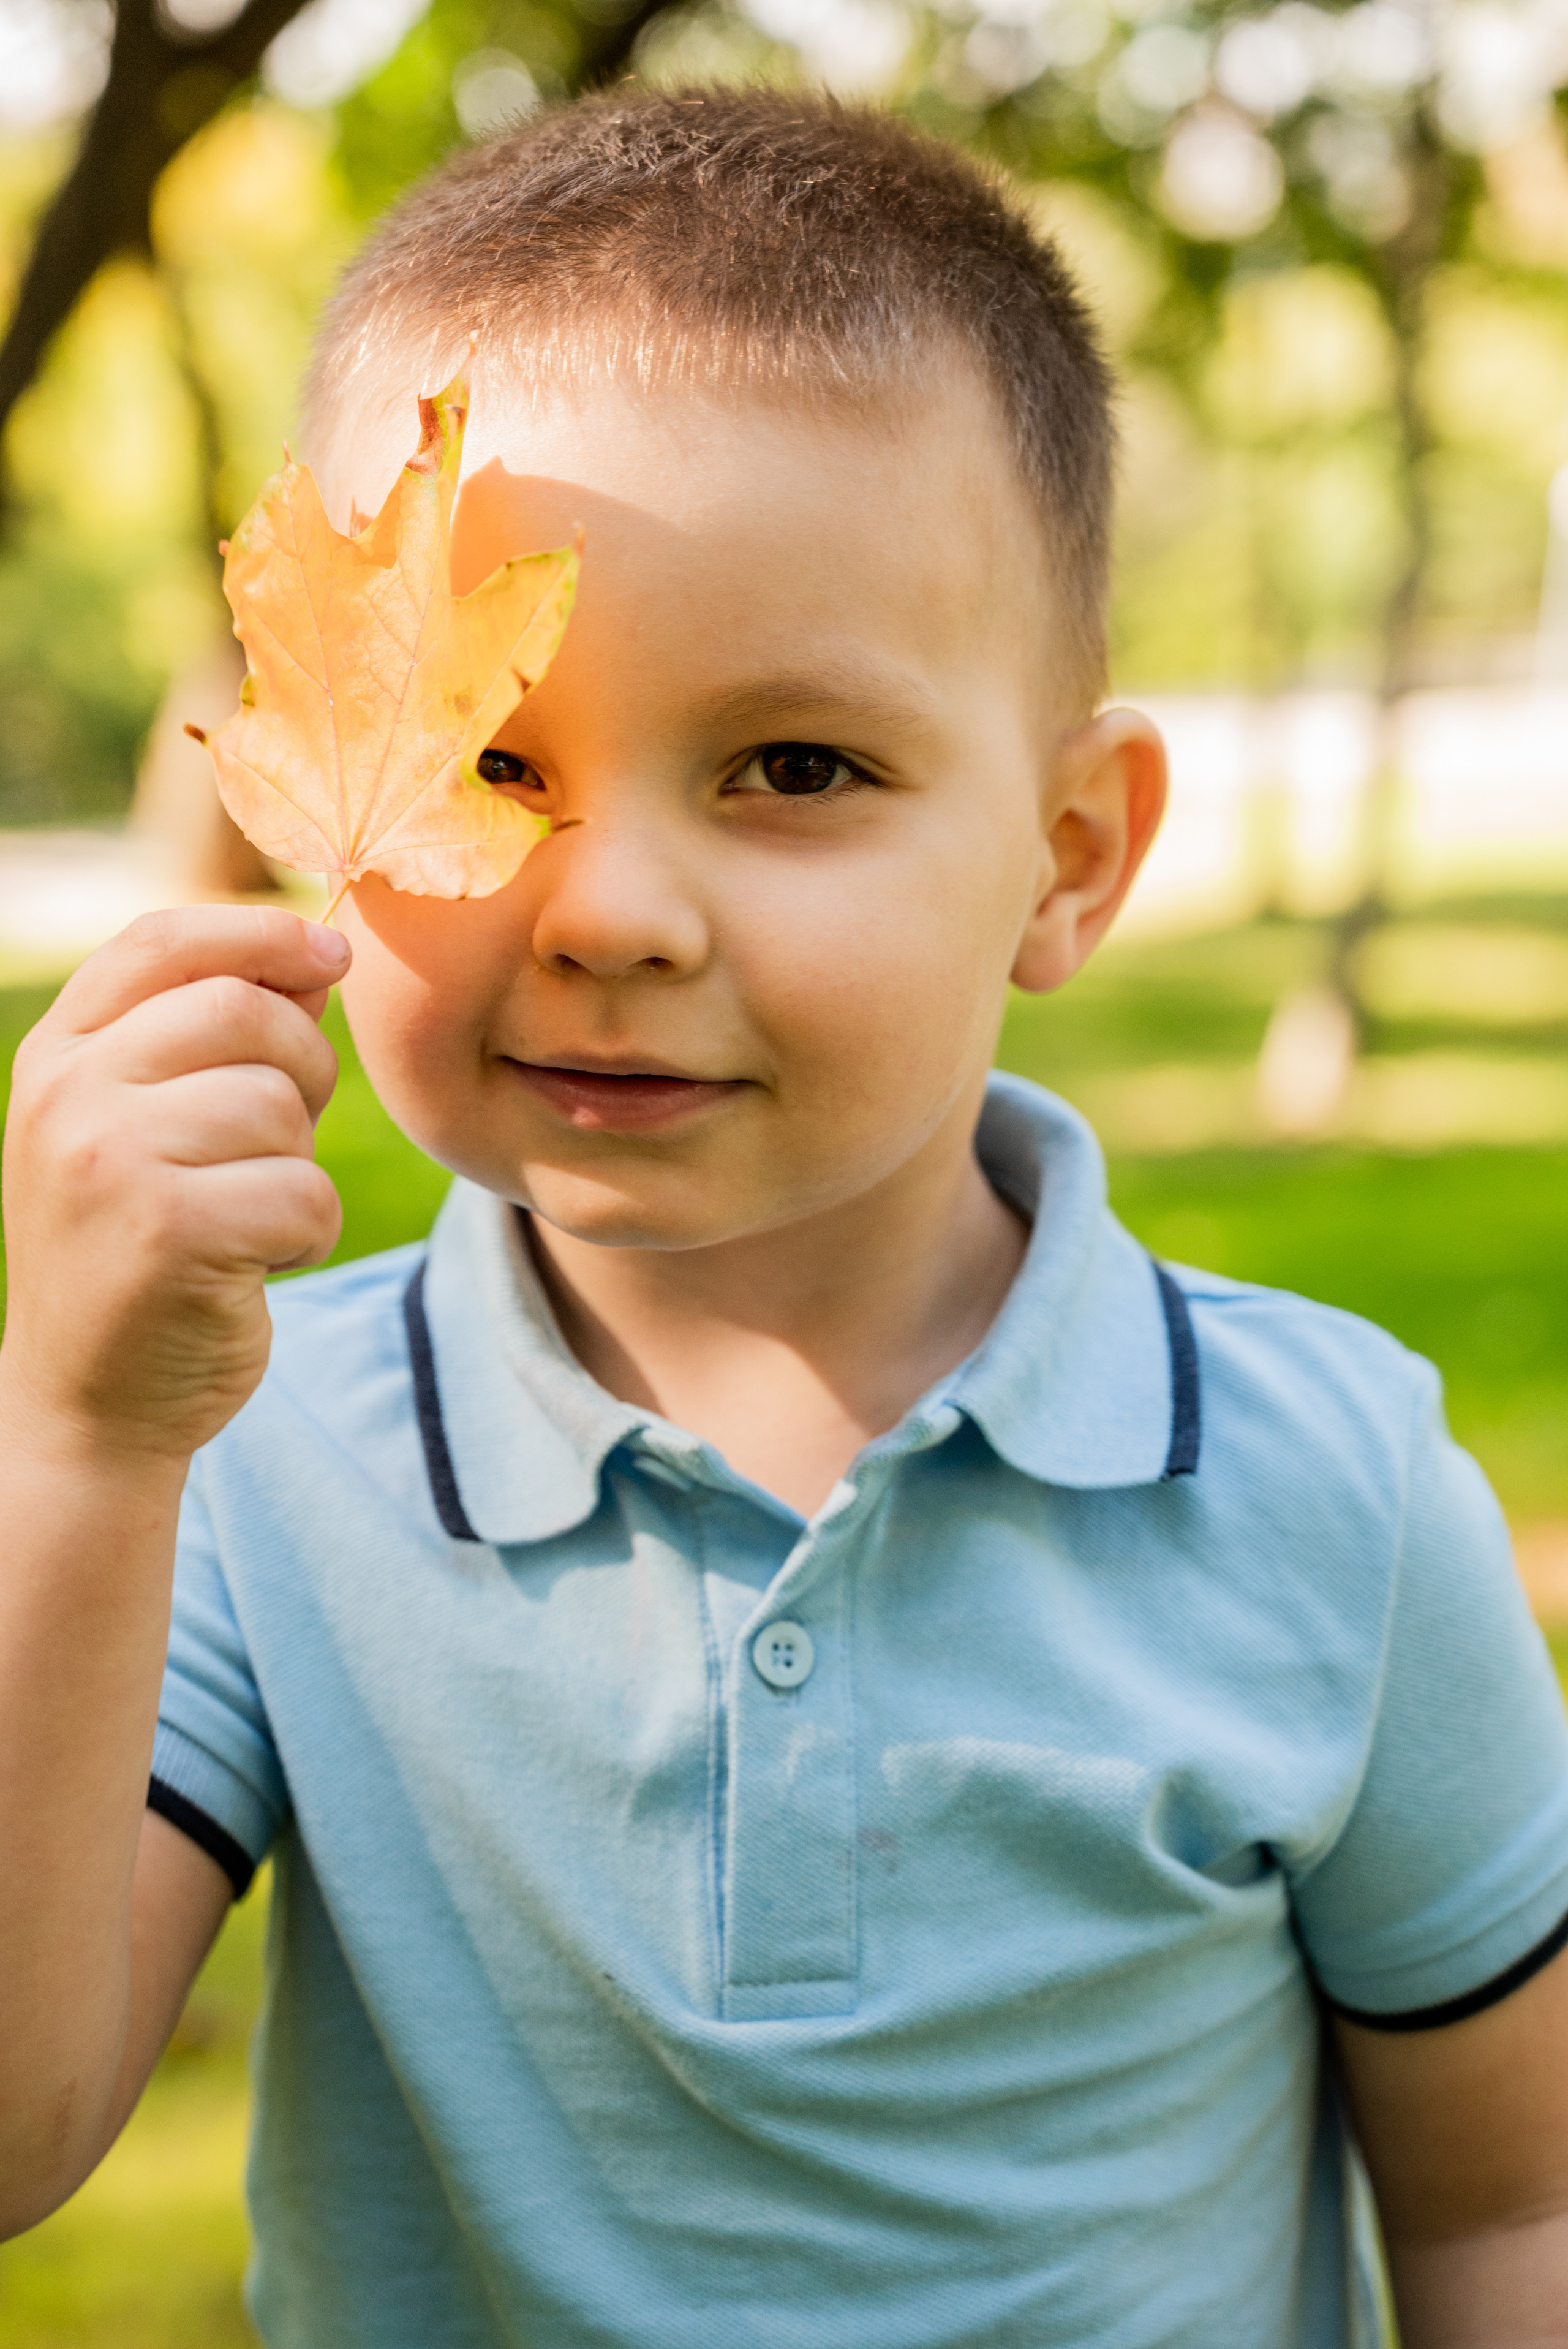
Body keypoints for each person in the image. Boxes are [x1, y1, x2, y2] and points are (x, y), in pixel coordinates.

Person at [1, 88, 1566, 2349]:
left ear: (1070, 851)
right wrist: (72, 1440)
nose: (614, 907)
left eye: (797, 767)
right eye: (490, 762)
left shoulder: (1327, 1488)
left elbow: (1515, 2205)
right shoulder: (242, 1464)